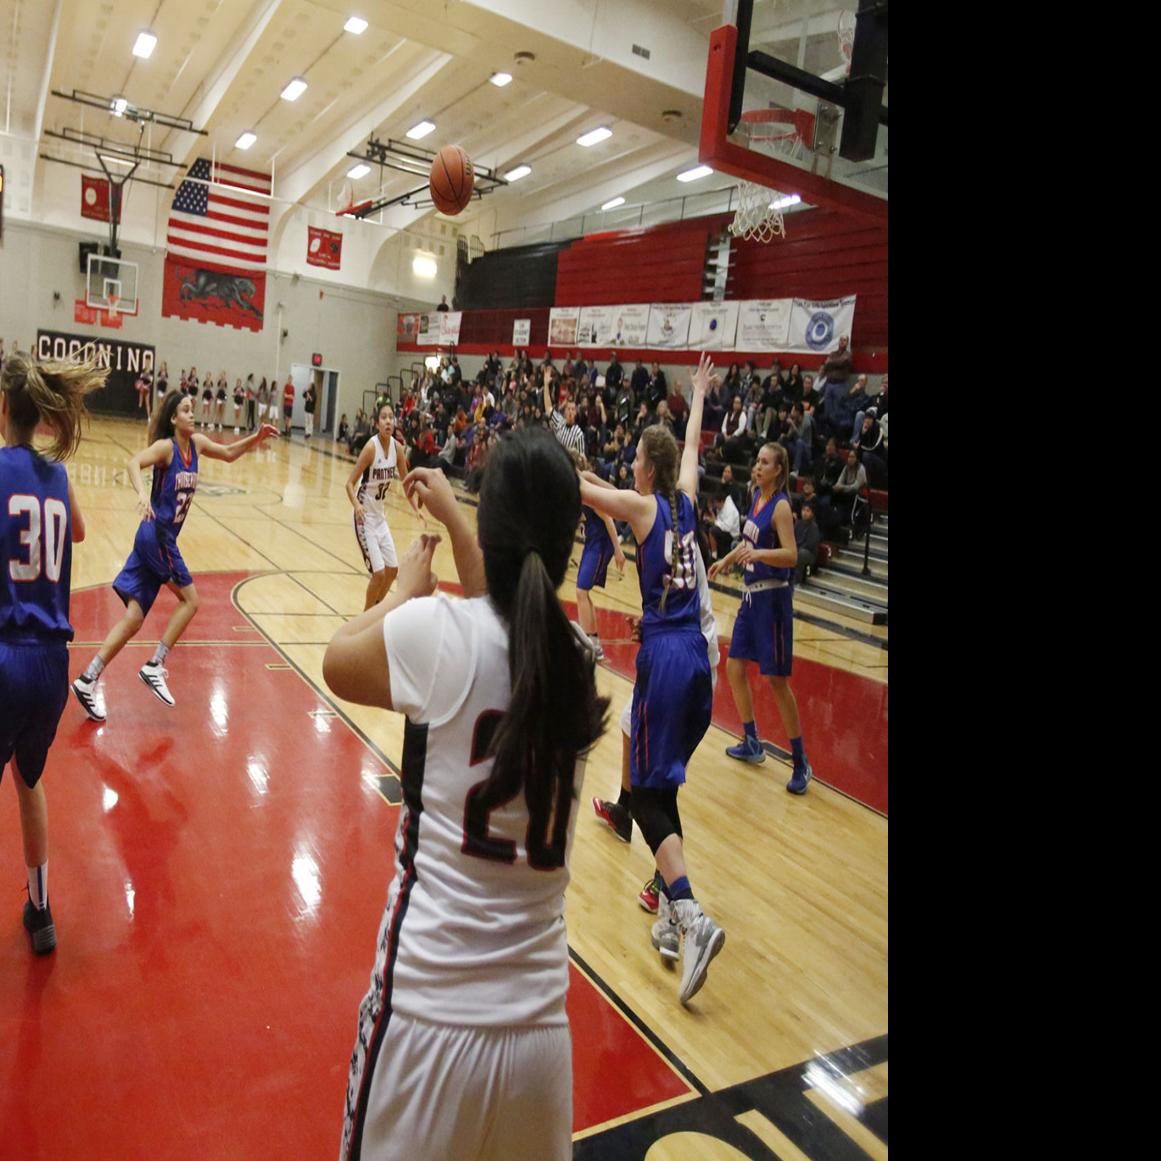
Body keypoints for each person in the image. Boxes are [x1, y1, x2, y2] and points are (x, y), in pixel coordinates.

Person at [322, 429, 607, 1161]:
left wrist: (403, 595)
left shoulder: (437, 633)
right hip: (541, 1038)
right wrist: (456, 519)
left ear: (490, 524)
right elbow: (507, 625)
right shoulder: (577, 661)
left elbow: (337, 661)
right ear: (568, 540)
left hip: (428, 1016)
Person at [580, 352, 725, 1005]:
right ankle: (669, 915)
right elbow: (691, 449)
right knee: (662, 790)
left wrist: (547, 456)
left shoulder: (642, 508)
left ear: (645, 467)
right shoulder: (685, 501)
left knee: (641, 794)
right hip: (695, 656)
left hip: (665, 660)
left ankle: (690, 914)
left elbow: (588, 494)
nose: (631, 462)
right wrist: (698, 396)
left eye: (636, 456)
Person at [71, 395, 279, 720]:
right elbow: (133, 463)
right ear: (173, 419)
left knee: (134, 618)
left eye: (192, 410)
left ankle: (88, 679)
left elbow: (227, 454)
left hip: (155, 539)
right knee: (191, 601)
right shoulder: (166, 449)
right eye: (185, 410)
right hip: (157, 537)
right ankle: (155, 664)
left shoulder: (196, 444)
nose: (191, 414)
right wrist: (142, 493)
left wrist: (256, 437)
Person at [2, 352, 102, 954]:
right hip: (50, 667)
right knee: (29, 778)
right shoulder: (58, 478)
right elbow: (80, 531)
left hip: (7, 653)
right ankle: (40, 912)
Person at [708, 442, 814, 794]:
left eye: (765, 463)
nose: (757, 467)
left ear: (778, 470)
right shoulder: (757, 497)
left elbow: (792, 555)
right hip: (751, 597)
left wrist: (760, 554)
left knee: (776, 680)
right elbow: (748, 542)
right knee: (734, 666)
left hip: (773, 600)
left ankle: (800, 761)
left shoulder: (781, 506)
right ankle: (752, 740)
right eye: (757, 461)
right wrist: (727, 559)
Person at [345, 403, 423, 611]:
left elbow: (406, 483)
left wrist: (416, 506)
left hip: (380, 517)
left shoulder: (398, 449)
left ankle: (376, 610)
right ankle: (366, 617)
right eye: (383, 417)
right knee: (378, 574)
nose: (388, 421)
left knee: (392, 570)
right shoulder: (371, 448)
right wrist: (357, 505)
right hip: (364, 518)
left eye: (391, 417)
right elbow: (349, 484)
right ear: (377, 423)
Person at [569, 451, 625, 661]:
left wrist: (618, 550)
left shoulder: (585, 484)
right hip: (593, 541)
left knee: (581, 591)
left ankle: (588, 642)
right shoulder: (577, 488)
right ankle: (593, 642)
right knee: (582, 592)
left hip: (601, 542)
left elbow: (607, 518)